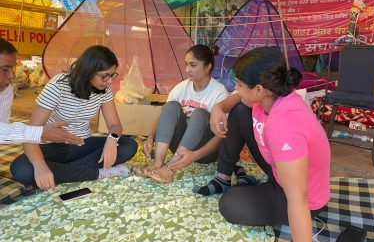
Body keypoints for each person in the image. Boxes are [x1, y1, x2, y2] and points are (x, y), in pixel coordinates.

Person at [194, 47, 330, 242]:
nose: (236, 88)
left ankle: (246, 185)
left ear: (258, 89)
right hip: (281, 171)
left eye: (239, 84)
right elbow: (238, 100)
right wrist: (218, 108)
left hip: (306, 198)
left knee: (231, 204)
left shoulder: (284, 125)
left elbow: (298, 197)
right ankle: (223, 178)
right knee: (239, 112)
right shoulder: (272, 97)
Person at [10, 45, 138, 190]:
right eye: (105, 76)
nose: (109, 81)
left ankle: (63, 172)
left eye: (112, 75)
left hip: (82, 144)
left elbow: (115, 125)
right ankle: (97, 173)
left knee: (129, 145)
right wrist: (40, 165)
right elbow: (30, 133)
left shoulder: (104, 89)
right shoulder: (58, 85)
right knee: (21, 168)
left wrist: (112, 140)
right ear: (89, 71)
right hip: (52, 147)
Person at [135, 44, 229, 183]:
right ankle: (158, 163)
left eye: (193, 65)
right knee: (170, 106)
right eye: (186, 64)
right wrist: (150, 137)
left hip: (204, 153)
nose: (187, 70)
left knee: (200, 114)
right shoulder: (181, 88)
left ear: (207, 67)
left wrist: (195, 155)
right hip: (180, 148)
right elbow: (164, 117)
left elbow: (221, 137)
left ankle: (169, 169)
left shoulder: (219, 93)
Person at [0, 37, 83, 145]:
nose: (12, 76)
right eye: (5, 69)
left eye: (12, 69)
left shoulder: (6, 90)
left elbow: (2, 128)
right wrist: (38, 132)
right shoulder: (57, 85)